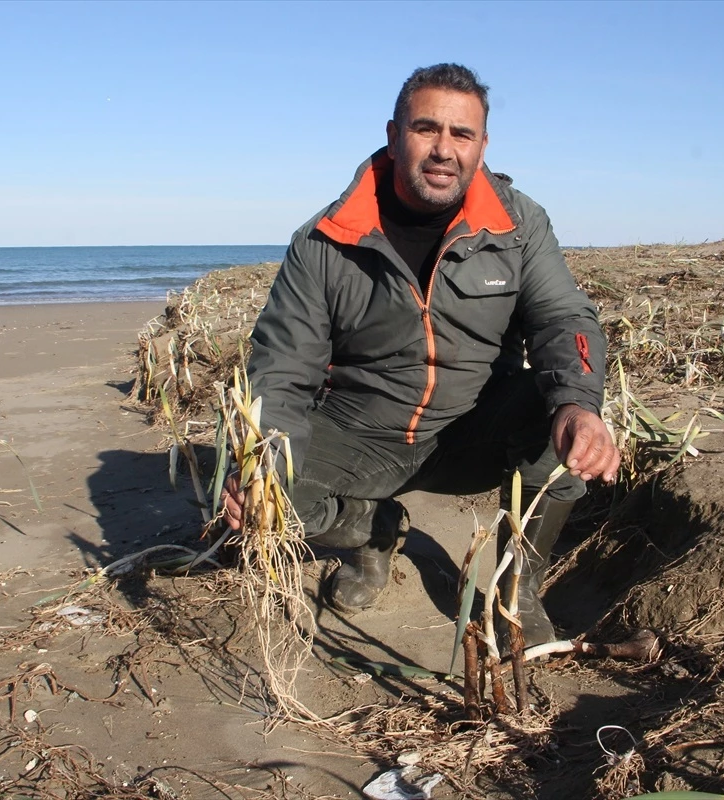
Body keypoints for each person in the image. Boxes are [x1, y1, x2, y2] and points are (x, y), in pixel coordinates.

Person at [222, 64, 619, 647]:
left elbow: (565, 318)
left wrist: (578, 404)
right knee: (255, 493)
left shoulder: (519, 223)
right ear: (393, 133)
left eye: (462, 135)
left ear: (482, 146)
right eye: (426, 128)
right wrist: (261, 464)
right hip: (363, 432)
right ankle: (368, 528)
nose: (443, 149)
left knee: (557, 423)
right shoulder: (323, 240)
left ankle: (517, 590)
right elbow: (282, 369)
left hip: (473, 429)